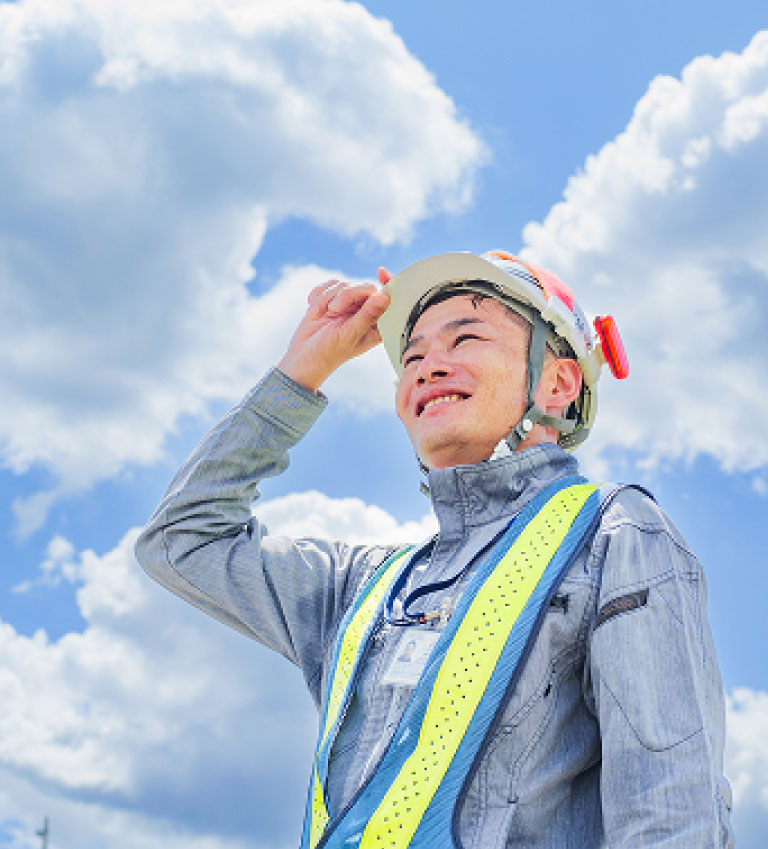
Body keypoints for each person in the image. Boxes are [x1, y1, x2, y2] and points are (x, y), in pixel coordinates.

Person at [135, 250, 733, 848]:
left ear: (557, 382)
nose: (426, 367)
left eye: (464, 338)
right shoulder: (363, 587)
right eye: (413, 356)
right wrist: (302, 371)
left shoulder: (616, 536)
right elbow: (180, 539)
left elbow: (671, 815)